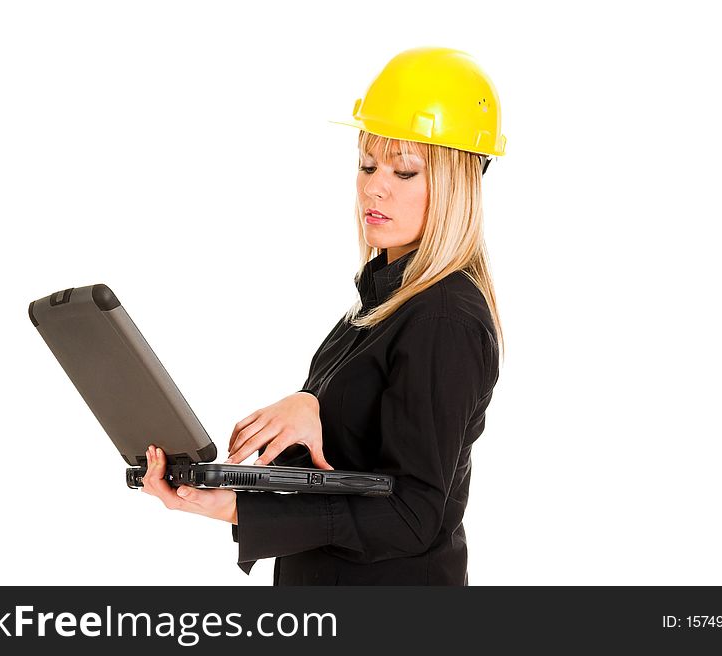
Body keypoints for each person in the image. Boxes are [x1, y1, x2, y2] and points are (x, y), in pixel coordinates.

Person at [140, 46, 506, 585]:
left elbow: (413, 515)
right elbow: (350, 472)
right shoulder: (381, 302)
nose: (373, 185)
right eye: (367, 163)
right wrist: (233, 485)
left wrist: (242, 512)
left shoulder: (442, 318)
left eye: (404, 170)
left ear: (457, 186)